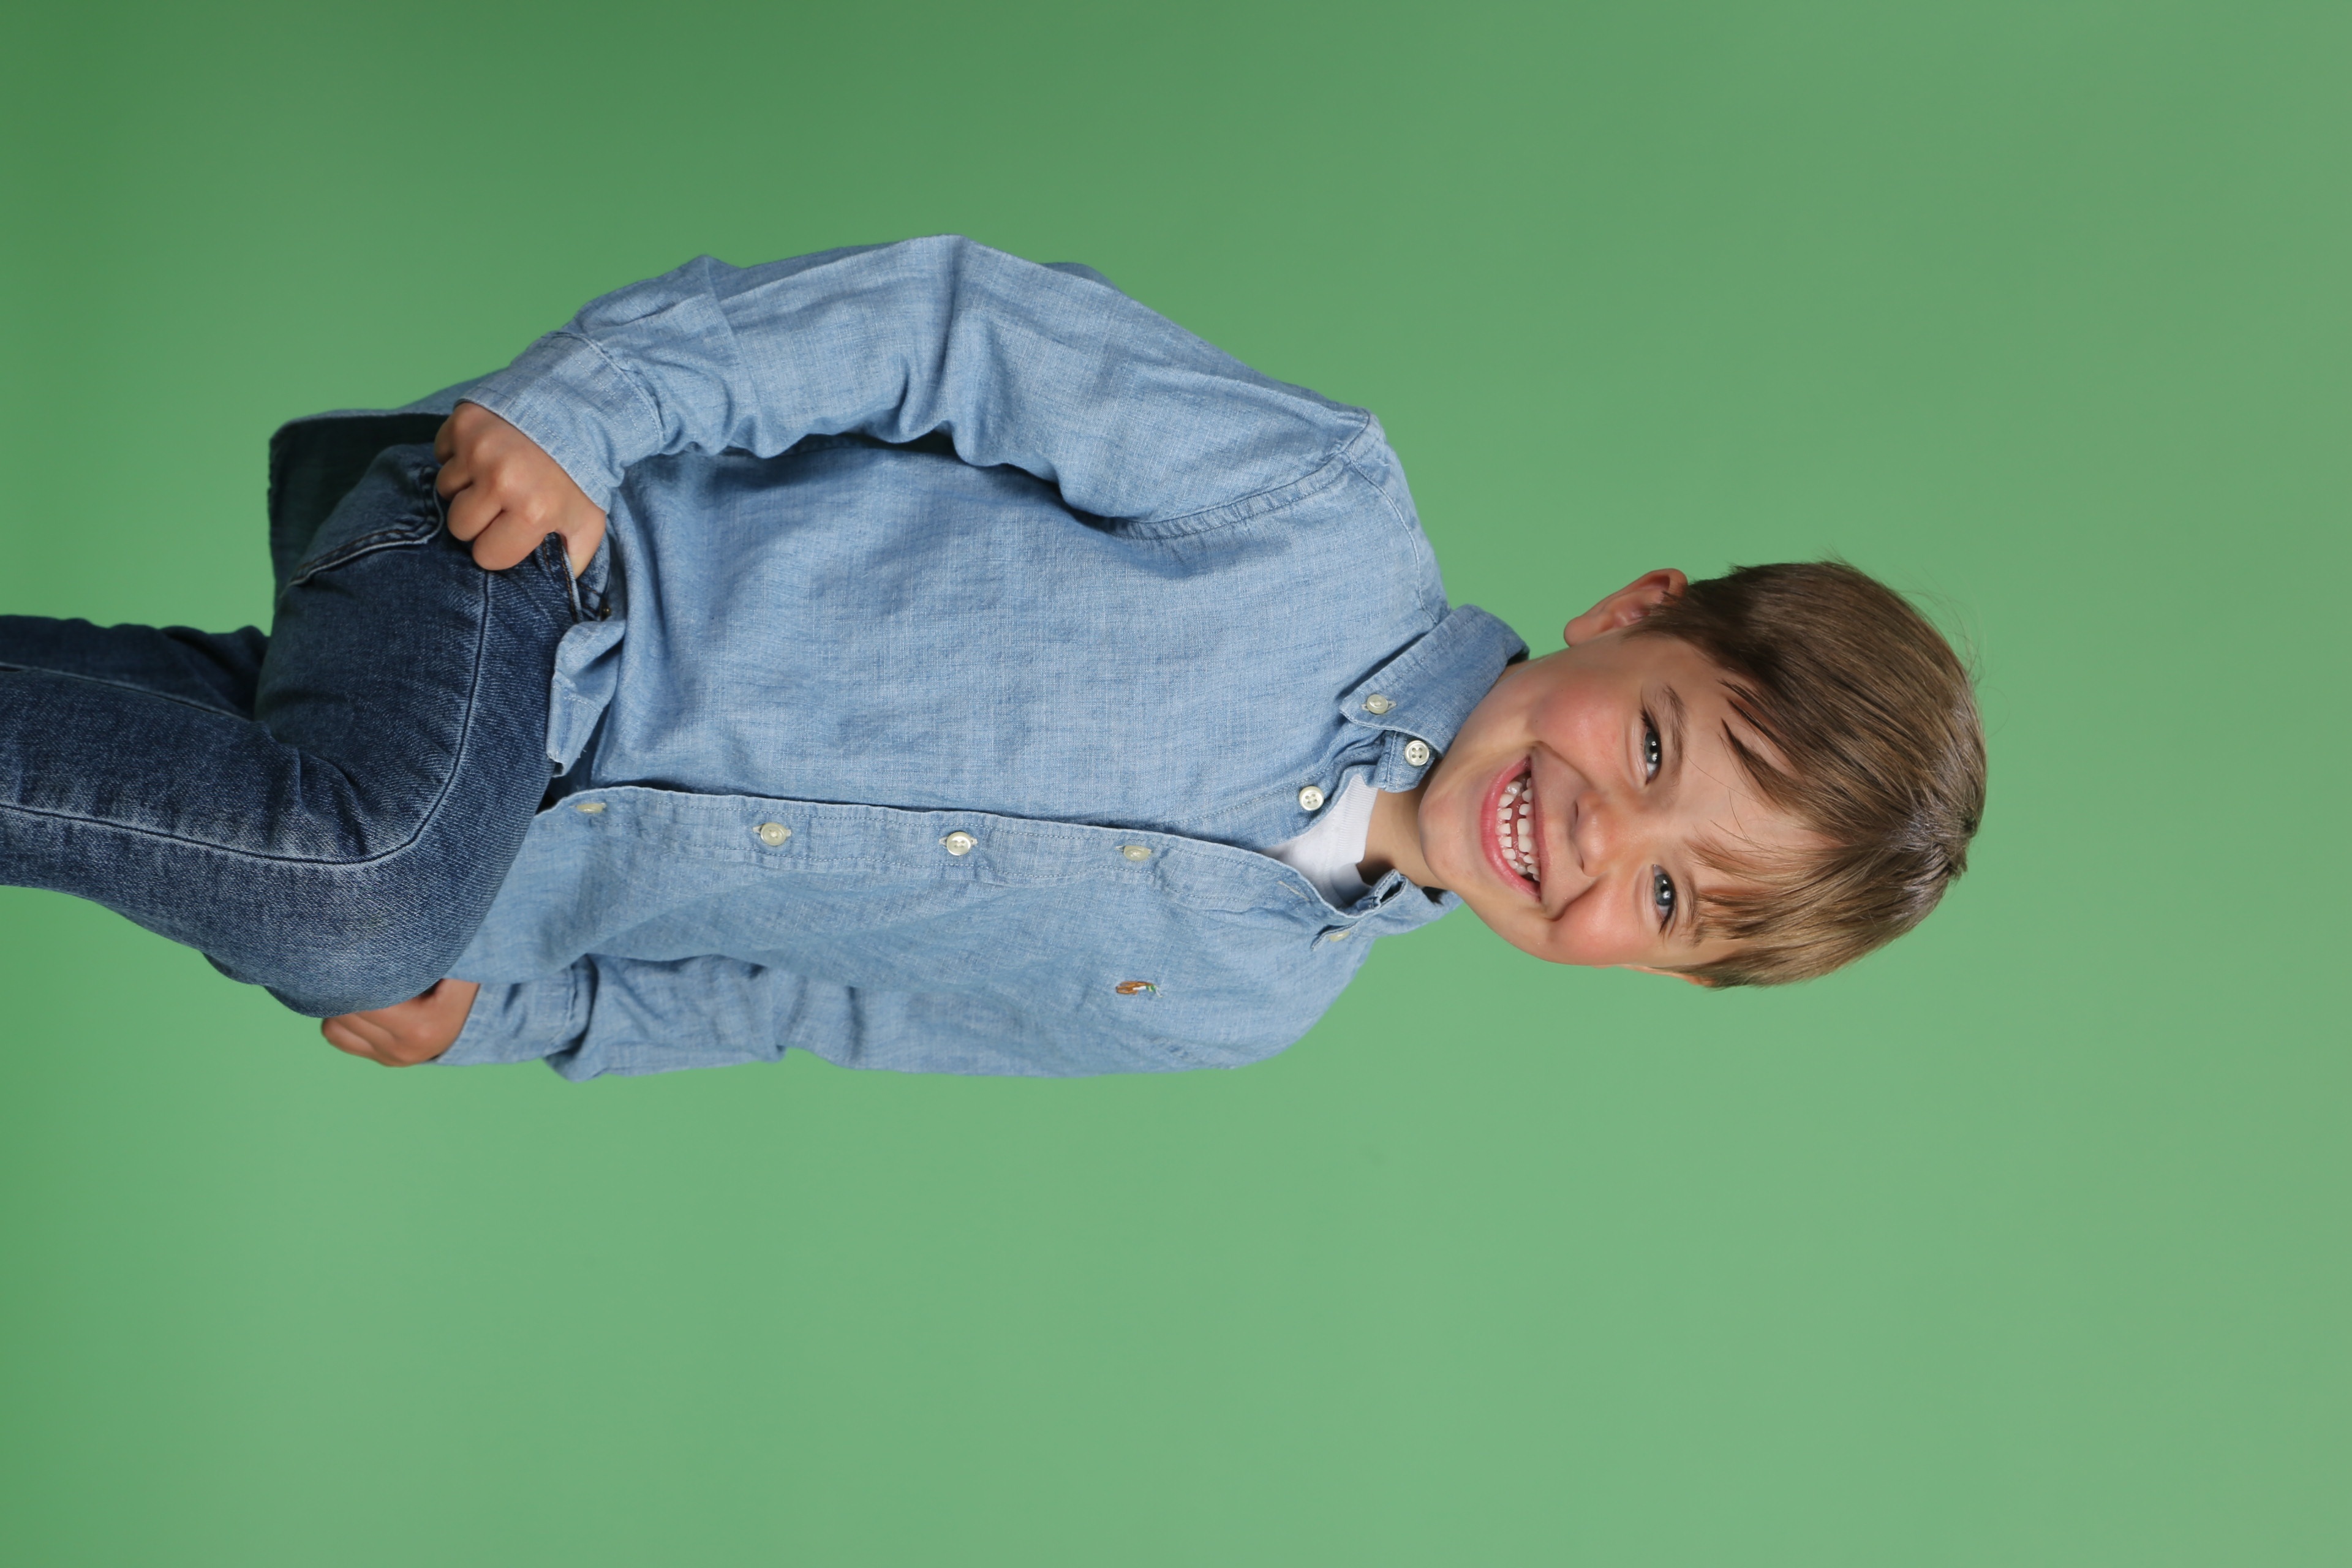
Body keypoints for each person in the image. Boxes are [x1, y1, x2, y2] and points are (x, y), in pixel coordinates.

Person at [0, 237, 1985, 1080]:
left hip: (483, 851)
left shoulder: (1234, 1006)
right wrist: (596, 407)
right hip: (542, 564)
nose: (1600, 834)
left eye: (1672, 896)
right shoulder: (1317, 520)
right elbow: (951, 330)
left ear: (1659, 971)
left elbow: (821, 1002)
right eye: (1658, 747)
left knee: (341, 887)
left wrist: (522, 1018)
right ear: (1633, 613)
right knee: (359, 886)